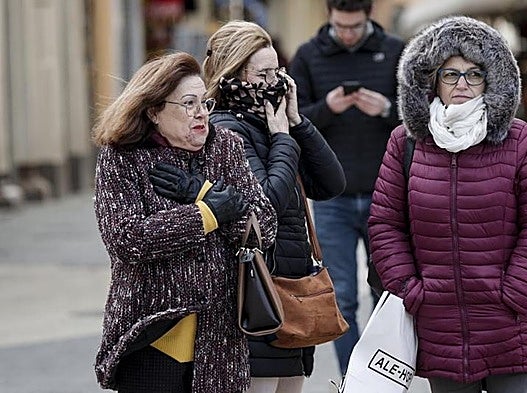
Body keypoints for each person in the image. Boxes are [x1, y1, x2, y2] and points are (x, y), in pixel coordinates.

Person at [368, 16, 527, 393]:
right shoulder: (406, 143)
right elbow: (384, 224)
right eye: (450, 74)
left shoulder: (518, 139)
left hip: (510, 321)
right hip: (440, 325)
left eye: (474, 74)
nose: (462, 84)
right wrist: (411, 288)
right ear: (431, 79)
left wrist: (516, 289)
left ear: (491, 79)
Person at [92, 52, 277, 393]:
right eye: (188, 103)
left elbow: (264, 225)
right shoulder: (122, 156)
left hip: (220, 339)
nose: (201, 113)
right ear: (154, 111)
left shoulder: (226, 147)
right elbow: (127, 238)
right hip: (151, 336)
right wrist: (206, 215)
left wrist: (205, 192)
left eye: (204, 102)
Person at [203, 20, 346, 393]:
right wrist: (283, 138)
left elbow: (331, 184)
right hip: (258, 297)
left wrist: (297, 123)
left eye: (277, 71)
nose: (275, 83)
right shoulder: (228, 131)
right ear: (233, 75)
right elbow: (266, 202)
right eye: (263, 73)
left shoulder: (271, 122)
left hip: (291, 294)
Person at [288, 0, 405, 375]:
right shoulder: (307, 55)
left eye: (355, 26)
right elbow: (292, 119)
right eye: (341, 26)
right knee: (341, 297)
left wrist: (387, 108)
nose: (348, 33)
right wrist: (328, 107)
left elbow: (419, 116)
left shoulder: (395, 51)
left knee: (387, 294)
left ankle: (384, 375)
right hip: (331, 197)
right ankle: (354, 379)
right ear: (329, 17)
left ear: (368, 17)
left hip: (386, 194)